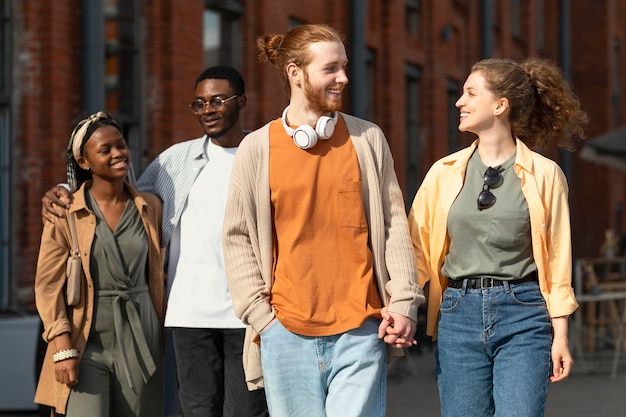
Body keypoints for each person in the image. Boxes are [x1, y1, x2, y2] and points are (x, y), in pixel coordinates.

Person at [221, 24, 425, 417]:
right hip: (284, 331)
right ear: (295, 72)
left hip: (361, 327)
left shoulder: (367, 139)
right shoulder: (256, 148)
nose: (344, 78)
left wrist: (403, 302)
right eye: (331, 69)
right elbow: (237, 238)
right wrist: (262, 318)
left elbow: (396, 226)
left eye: (344, 67)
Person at [41, 67, 268, 417]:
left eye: (218, 100)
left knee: (246, 412)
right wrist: (64, 189)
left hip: (250, 312)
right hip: (189, 315)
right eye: (199, 103)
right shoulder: (174, 160)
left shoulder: (267, 154)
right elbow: (116, 192)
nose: (208, 109)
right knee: (196, 410)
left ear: (242, 101)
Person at [407, 57, 588, 417]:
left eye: (471, 93)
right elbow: (414, 252)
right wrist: (403, 308)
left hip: (523, 313)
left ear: (500, 105)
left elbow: (557, 260)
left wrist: (561, 336)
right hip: (457, 313)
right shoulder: (442, 174)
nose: (459, 102)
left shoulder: (545, 175)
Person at [35, 112, 165, 416]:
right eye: (105, 150)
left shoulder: (150, 207)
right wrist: (62, 346)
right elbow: (48, 284)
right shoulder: (65, 212)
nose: (118, 154)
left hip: (142, 335)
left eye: (121, 145)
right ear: (84, 162)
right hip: (86, 339)